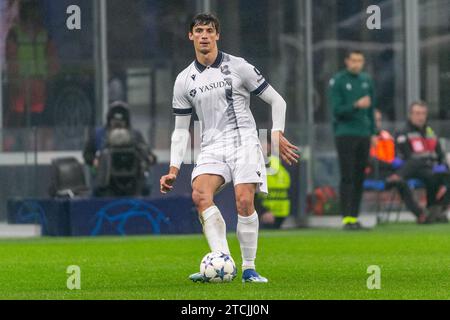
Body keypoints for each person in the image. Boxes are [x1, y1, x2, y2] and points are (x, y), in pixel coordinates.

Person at [159, 13, 299, 283]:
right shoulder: (184, 80)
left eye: (209, 31)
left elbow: (277, 101)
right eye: (198, 30)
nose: (203, 35)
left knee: (244, 201)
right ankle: (223, 262)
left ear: (217, 35)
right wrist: (173, 169)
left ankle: (249, 268)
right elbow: (180, 129)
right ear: (190, 36)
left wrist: (276, 133)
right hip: (211, 144)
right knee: (200, 195)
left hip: (244, 139)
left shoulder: (238, 66)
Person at [327, 50, 376, 230]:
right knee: (347, 175)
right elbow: (337, 110)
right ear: (347, 61)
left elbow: (372, 109)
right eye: (353, 60)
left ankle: (354, 216)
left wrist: (373, 132)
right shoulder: (338, 81)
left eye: (360, 60)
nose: (357, 64)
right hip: (345, 133)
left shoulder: (366, 80)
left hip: (364, 134)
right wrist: (356, 105)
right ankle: (346, 217)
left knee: (360, 176)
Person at [83, 101, 157, 196]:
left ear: (127, 122)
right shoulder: (98, 135)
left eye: (121, 122)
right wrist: (95, 161)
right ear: (109, 120)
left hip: (133, 184)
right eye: (114, 122)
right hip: (105, 184)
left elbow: (149, 155)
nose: (117, 125)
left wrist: (148, 159)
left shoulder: (135, 136)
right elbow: (87, 154)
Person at [367, 109, 428, 224]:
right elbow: (369, 161)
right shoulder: (364, 138)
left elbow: (395, 154)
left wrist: (396, 163)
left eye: (379, 120)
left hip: (390, 171)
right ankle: (420, 214)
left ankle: (424, 213)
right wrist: (391, 164)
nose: (376, 123)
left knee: (412, 166)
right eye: (374, 120)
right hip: (374, 172)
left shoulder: (387, 136)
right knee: (401, 181)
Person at [394, 101, 449, 223]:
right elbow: (408, 157)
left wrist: (442, 164)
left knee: (443, 175)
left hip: (432, 167)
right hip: (414, 169)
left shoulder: (430, 132)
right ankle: (430, 210)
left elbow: (439, 152)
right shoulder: (403, 133)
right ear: (410, 115)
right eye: (417, 113)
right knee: (432, 176)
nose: (421, 117)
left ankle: (437, 208)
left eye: (423, 113)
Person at [256, 138, 292, 229]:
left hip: (282, 212)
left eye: (266, 144)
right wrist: (263, 211)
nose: (264, 147)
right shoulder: (256, 164)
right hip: (264, 213)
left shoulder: (281, 164)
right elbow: (252, 192)